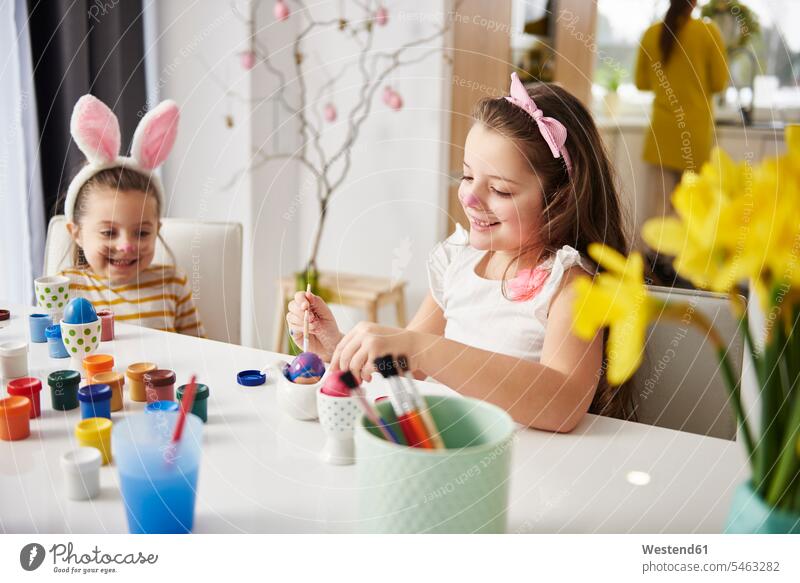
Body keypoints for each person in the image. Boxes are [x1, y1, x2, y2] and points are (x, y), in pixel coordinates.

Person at [287, 73, 632, 432]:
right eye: (467, 177)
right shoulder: (457, 264)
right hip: (444, 452)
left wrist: (421, 347)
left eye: (499, 189)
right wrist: (343, 348)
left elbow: (563, 405)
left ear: (559, 198)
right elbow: (407, 368)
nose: (468, 197)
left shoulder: (569, 285)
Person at [58, 95, 204, 337]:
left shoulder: (173, 284)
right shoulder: (64, 288)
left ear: (156, 229)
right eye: (108, 232)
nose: (126, 246)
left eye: (142, 232)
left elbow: (202, 352)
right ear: (77, 233)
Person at [635, 0, 728, 280]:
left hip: (662, 133)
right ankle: (684, 270)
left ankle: (656, 271)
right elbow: (720, 82)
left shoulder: (652, 33)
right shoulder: (708, 32)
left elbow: (641, 83)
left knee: (658, 208)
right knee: (691, 208)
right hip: (695, 134)